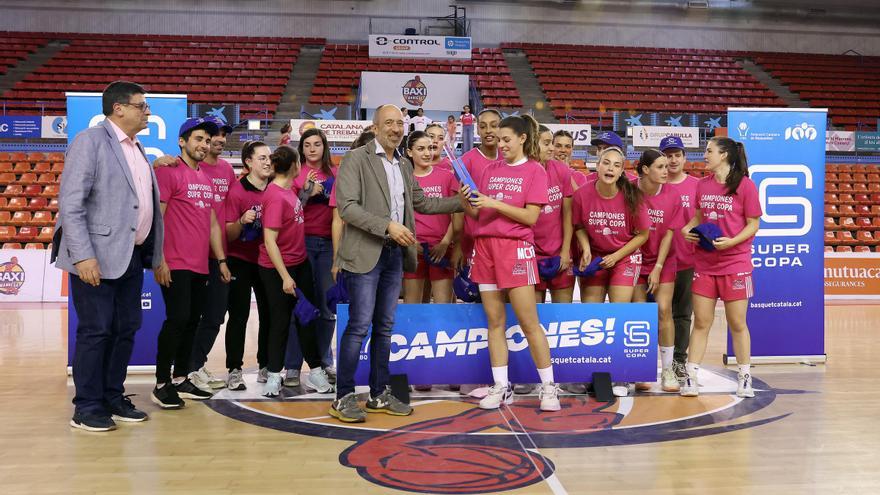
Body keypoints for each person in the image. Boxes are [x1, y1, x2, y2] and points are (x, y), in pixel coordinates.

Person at [330, 104, 462, 423]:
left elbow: (422, 202)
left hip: (393, 256)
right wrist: (387, 226)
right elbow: (347, 208)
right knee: (360, 326)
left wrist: (462, 201)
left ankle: (378, 394)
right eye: (388, 123)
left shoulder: (402, 164)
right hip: (365, 253)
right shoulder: (356, 159)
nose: (394, 128)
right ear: (375, 128)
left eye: (399, 123)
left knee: (385, 328)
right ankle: (344, 396)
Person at [55, 80, 164, 431]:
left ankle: (112, 397)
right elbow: (71, 204)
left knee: (124, 329)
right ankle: (87, 406)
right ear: (119, 108)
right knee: (96, 331)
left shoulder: (137, 147)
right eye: (141, 105)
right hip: (96, 258)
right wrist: (84, 256)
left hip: (131, 256)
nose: (146, 112)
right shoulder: (89, 142)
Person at [460, 115, 560, 412]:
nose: (500, 144)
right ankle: (502, 387)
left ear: (522, 139)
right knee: (494, 322)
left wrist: (492, 202)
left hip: (515, 249)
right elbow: (479, 215)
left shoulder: (535, 171)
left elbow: (530, 217)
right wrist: (468, 200)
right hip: (485, 248)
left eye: (506, 139)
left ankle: (549, 387)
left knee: (529, 323)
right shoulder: (490, 170)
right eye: (498, 140)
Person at [151, 118, 231, 409]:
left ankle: (182, 377)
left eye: (207, 141)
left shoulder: (207, 180)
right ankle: (161, 383)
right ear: (182, 142)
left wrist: (221, 260)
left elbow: (212, 225)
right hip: (174, 262)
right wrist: (158, 258)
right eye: (198, 139)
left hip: (200, 264)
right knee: (177, 320)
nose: (204, 145)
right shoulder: (169, 173)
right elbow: (157, 217)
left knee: (192, 322)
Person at [680, 137, 762, 399]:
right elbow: (697, 218)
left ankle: (744, 377)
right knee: (701, 322)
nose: (705, 155)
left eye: (709, 151)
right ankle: (691, 376)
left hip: (736, 263)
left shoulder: (746, 186)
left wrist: (731, 242)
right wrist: (687, 230)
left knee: (737, 323)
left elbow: (753, 224)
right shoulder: (702, 185)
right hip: (704, 263)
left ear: (725, 155)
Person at [258, 146, 332, 397]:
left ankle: (315, 371)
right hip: (277, 269)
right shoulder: (275, 195)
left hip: (300, 264)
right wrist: (285, 277)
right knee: (280, 322)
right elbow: (269, 241)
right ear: (294, 166)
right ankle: (274, 375)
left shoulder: (289, 190)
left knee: (307, 319)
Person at [282, 128, 338, 388]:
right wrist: (306, 193)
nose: (313, 149)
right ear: (301, 149)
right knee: (300, 307)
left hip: (328, 245)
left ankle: (325, 361)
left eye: (317, 144)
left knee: (327, 310)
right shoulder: (294, 174)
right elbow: (288, 210)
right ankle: (292, 365)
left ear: (324, 147)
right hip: (300, 244)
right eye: (307, 145)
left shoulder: (335, 174)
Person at [188, 117, 237, 392]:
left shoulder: (227, 171)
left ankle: (197, 364)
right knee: (192, 315)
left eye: (221, 134)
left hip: (220, 254)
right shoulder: (188, 167)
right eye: (212, 135)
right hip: (193, 253)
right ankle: (188, 369)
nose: (218, 139)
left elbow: (223, 216)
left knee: (216, 315)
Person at [222, 141, 273, 391]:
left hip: (266, 261)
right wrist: (242, 221)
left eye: (269, 157)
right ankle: (234, 370)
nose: (267, 162)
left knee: (269, 315)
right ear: (248, 162)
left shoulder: (275, 188)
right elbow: (228, 234)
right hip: (240, 260)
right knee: (239, 316)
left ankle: (266, 366)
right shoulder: (237, 191)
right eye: (261, 157)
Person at [573, 146, 649, 305]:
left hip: (625, 257)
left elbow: (643, 234)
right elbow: (579, 226)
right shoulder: (581, 194)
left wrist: (615, 257)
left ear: (622, 170)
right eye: (606, 163)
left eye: (616, 165)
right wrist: (586, 248)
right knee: (591, 312)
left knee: (619, 310)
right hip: (595, 256)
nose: (610, 168)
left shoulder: (633, 195)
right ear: (597, 166)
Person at [633, 149, 682, 393]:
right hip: (633, 259)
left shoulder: (673, 194)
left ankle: (668, 370)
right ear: (645, 170)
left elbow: (670, 234)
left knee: (664, 310)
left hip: (662, 260)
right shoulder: (629, 190)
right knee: (640, 314)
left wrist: (658, 267)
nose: (666, 170)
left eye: (667, 166)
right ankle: (641, 369)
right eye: (660, 167)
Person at [403, 131, 460, 305]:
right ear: (409, 152)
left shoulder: (447, 176)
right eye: (421, 149)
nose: (427, 153)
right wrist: (411, 243)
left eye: (431, 148)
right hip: (413, 249)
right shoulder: (403, 179)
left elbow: (457, 214)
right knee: (412, 307)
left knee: (444, 307)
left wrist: (445, 243)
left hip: (441, 250)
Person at [661, 135, 699, 383]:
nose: (673, 160)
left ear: (685, 158)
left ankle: (678, 362)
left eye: (677, 155)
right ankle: (653, 363)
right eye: (668, 155)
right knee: (656, 313)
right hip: (658, 262)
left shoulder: (698, 185)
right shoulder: (653, 183)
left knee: (682, 314)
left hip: (687, 261)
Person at [452, 108, 501, 271]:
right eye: (483, 126)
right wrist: (458, 244)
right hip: (473, 242)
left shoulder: (508, 158)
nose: (488, 131)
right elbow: (458, 207)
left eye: (494, 125)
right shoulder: (466, 161)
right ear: (477, 129)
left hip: (503, 241)